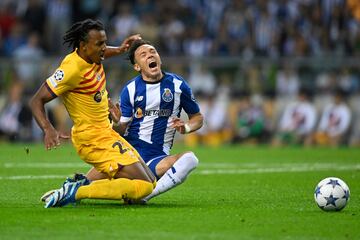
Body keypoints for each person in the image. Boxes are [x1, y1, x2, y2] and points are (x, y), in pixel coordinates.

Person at [30, 19, 155, 208]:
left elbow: (104, 52)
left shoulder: (94, 57)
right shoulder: (72, 69)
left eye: (105, 42)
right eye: (99, 44)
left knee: (151, 182)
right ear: (83, 46)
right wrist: (48, 128)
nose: (104, 48)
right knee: (144, 187)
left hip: (106, 133)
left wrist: (120, 49)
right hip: (92, 139)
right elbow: (36, 100)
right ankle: (78, 192)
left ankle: (81, 184)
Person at [84, 39, 204, 203]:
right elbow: (120, 130)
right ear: (137, 66)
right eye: (143, 54)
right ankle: (61, 195)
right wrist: (116, 122)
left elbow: (198, 118)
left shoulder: (178, 85)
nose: (150, 56)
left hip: (157, 159)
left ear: (159, 59)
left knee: (191, 159)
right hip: (127, 157)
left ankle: (146, 195)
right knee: (82, 184)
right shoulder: (130, 89)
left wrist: (186, 128)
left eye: (153, 52)